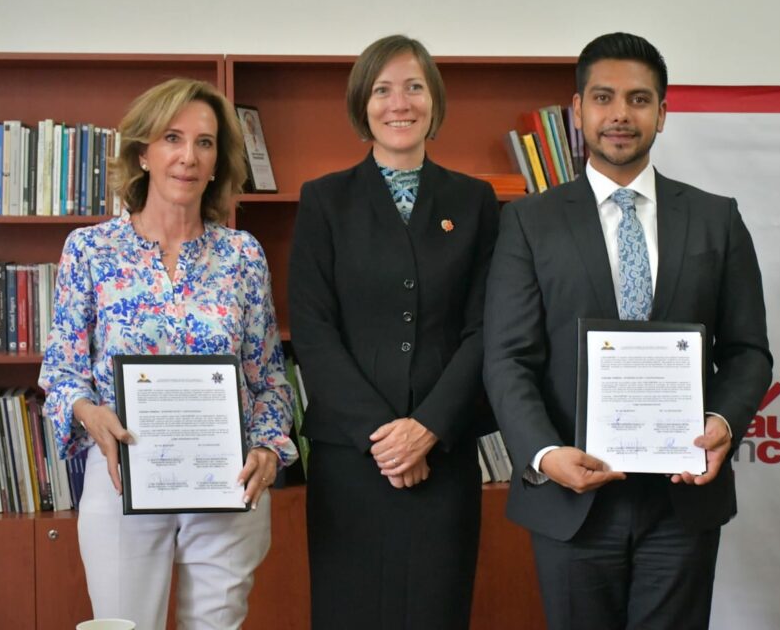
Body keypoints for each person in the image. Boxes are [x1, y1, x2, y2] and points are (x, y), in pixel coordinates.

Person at [483, 32, 772, 630]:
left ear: (662, 113)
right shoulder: (529, 222)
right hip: (570, 498)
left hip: (681, 499)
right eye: (603, 97)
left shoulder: (716, 219)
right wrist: (545, 455)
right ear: (578, 110)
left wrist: (721, 424)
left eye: (639, 99)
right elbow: (508, 358)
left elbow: (748, 352)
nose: (620, 114)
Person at [38, 77, 298, 629]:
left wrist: (269, 449)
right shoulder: (90, 249)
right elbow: (61, 371)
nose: (188, 157)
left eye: (205, 143)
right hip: (123, 478)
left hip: (227, 482)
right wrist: (89, 413)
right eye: (172, 139)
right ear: (143, 153)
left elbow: (270, 379)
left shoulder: (243, 255)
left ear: (218, 160)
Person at [288, 34, 499, 629]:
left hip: (444, 452)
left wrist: (426, 428)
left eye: (413, 87)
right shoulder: (324, 200)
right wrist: (383, 436)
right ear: (363, 104)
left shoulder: (475, 201)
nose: (399, 103)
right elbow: (313, 330)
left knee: (436, 611)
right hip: (351, 456)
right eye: (382, 90)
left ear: (435, 101)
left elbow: (487, 327)